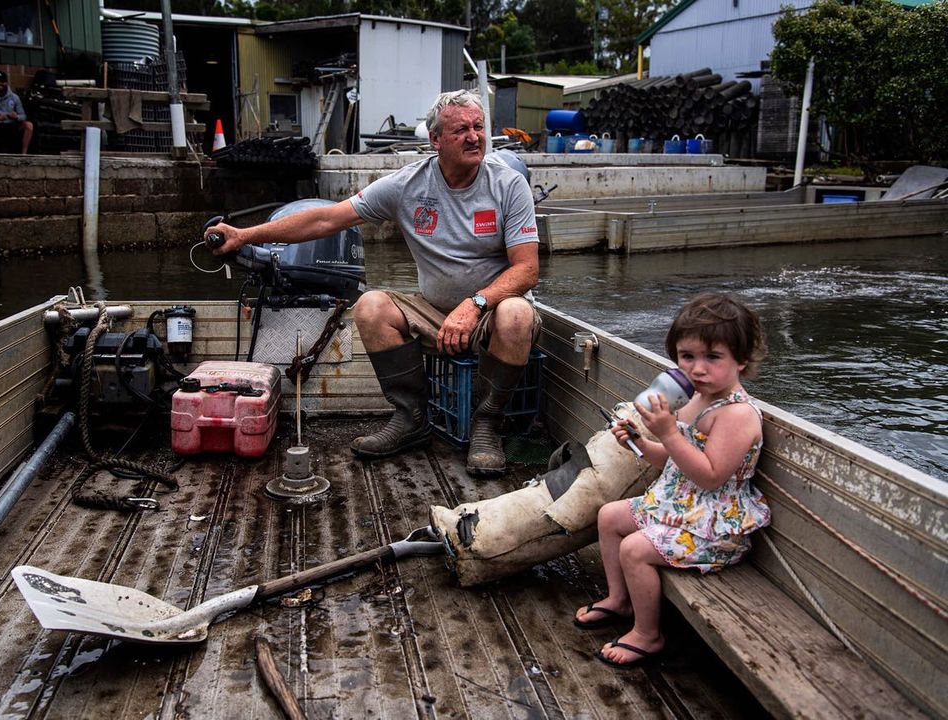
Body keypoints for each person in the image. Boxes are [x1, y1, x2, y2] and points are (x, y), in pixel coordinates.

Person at [205, 89, 540, 476]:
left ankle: (486, 425)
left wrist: (475, 304)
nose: (474, 137)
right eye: (461, 129)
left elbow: (526, 270)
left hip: (491, 312)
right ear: (435, 140)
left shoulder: (509, 185)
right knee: (371, 305)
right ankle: (411, 418)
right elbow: (326, 220)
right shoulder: (407, 185)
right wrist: (244, 236)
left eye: (479, 127)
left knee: (517, 313)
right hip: (433, 310)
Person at [575, 292, 770, 668]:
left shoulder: (737, 416)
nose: (698, 369)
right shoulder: (699, 399)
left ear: (741, 361)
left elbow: (710, 476)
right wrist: (641, 443)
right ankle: (619, 599)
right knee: (610, 517)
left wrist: (667, 432)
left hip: (712, 527)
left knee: (634, 548)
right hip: (678, 507)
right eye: (687, 356)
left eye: (713, 358)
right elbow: (674, 459)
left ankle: (648, 634)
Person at [0, 70, 33, 154]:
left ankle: (24, 154)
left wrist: (16, 117)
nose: (0, 84)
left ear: (6, 83)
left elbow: (23, 115)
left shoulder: (14, 97)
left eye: (2, 82)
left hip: (11, 125)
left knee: (29, 125)